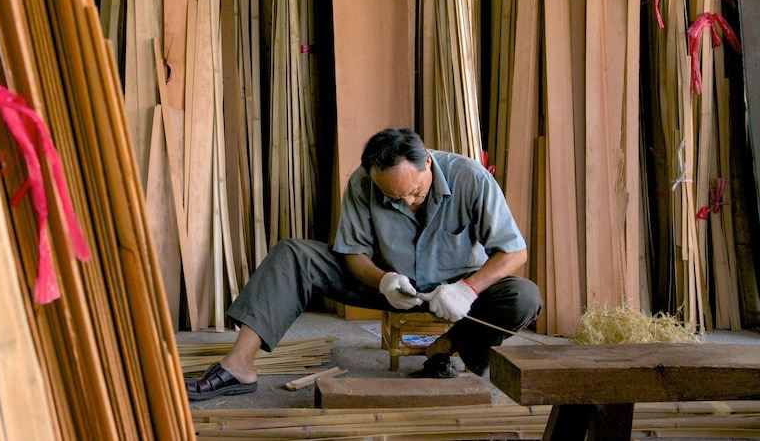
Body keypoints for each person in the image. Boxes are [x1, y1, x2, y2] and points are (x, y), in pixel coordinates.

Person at [185, 128, 542, 401]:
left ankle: (449, 347)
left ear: (428, 163)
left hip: (458, 288)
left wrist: (468, 289)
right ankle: (239, 366)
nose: (408, 202)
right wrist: (383, 280)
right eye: (394, 197)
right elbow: (352, 253)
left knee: (524, 296)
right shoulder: (362, 183)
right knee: (293, 253)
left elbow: (514, 252)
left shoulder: (471, 179)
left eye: (415, 192)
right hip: (394, 285)